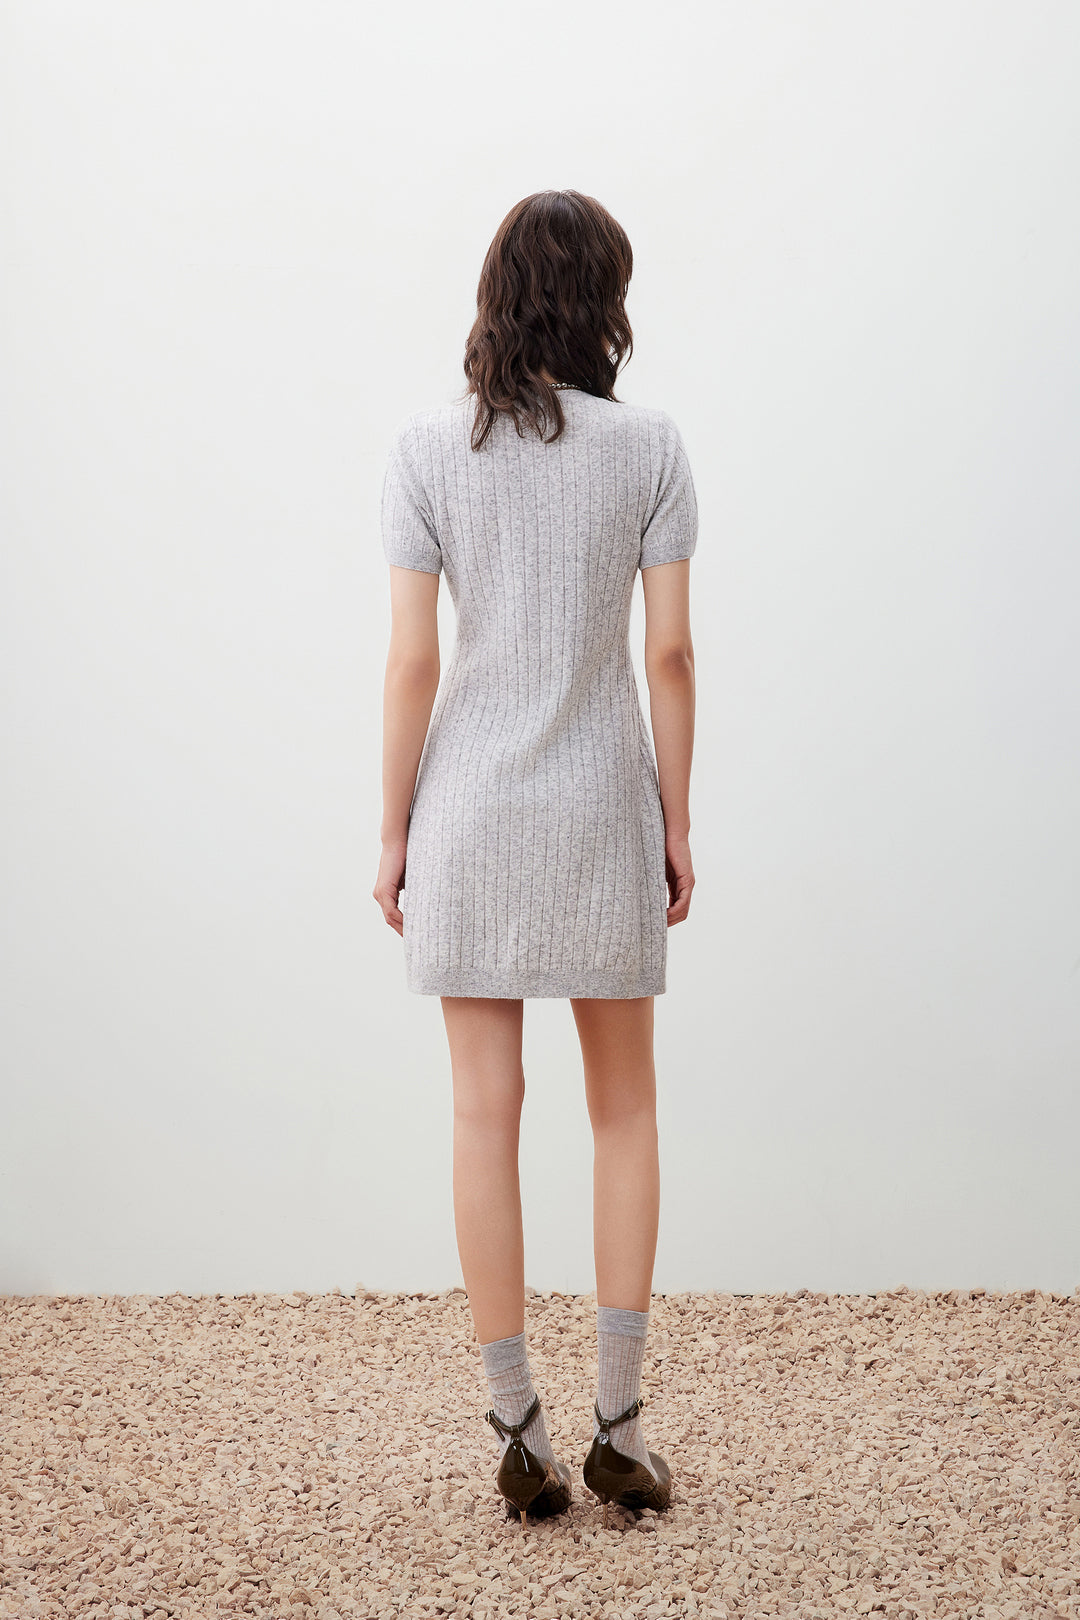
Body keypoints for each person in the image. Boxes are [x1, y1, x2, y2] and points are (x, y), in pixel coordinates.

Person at [373, 189, 697, 1531]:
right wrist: (678, 819)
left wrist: (392, 830)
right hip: (602, 813)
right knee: (623, 1112)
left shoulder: (425, 451)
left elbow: (412, 663)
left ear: (496, 294)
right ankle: (620, 1424)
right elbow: (669, 653)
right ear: (604, 301)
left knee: (481, 1114)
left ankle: (516, 1426)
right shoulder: (652, 447)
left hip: (469, 817)